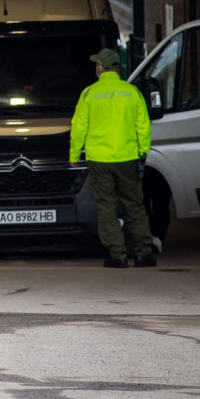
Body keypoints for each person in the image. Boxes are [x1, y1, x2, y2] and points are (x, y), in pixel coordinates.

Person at [71, 48, 156, 269]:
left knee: (107, 207)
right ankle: (143, 254)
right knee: (135, 205)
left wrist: (74, 154)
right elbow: (143, 127)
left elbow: (79, 127)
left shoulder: (89, 94)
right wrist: (142, 153)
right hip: (128, 157)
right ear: (116, 68)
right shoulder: (132, 92)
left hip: (100, 160)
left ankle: (117, 255)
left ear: (100, 68)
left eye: (96, 65)